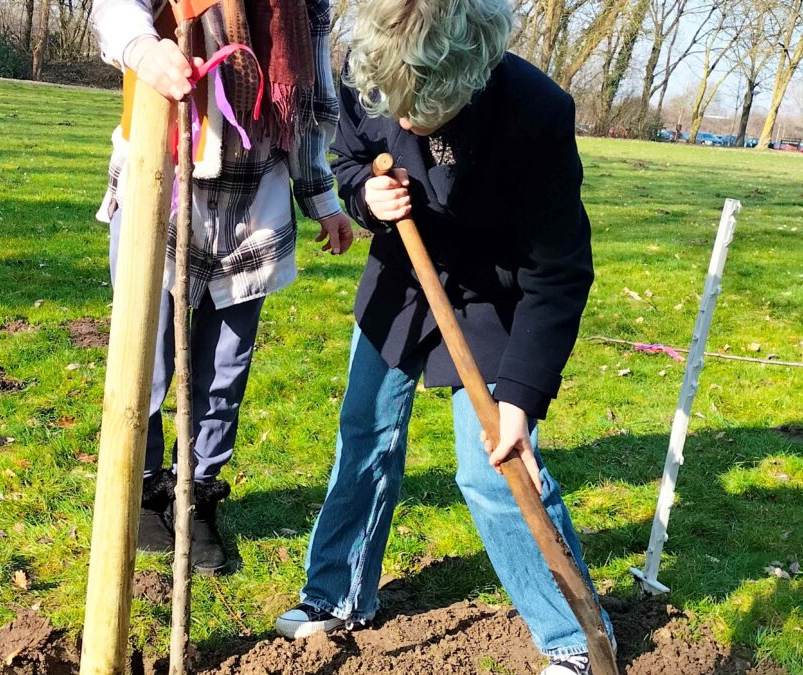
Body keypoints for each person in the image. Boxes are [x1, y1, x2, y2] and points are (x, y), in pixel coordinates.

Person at [274, 0, 615, 672]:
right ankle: (337, 593)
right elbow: (349, 159)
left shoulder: (535, 113)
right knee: (365, 432)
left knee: (491, 469)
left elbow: (559, 270)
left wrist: (518, 395)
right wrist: (366, 202)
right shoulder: (369, 63)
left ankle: (575, 635)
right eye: (391, 104)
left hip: (496, 295)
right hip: (404, 278)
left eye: (418, 107)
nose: (400, 121)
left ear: (466, 78)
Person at [90, 0, 353, 575]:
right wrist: (146, 51)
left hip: (253, 202)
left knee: (224, 368)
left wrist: (322, 197)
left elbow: (309, 99)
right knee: (145, 358)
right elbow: (114, 9)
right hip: (163, 188)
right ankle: (142, 490)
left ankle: (197, 496)